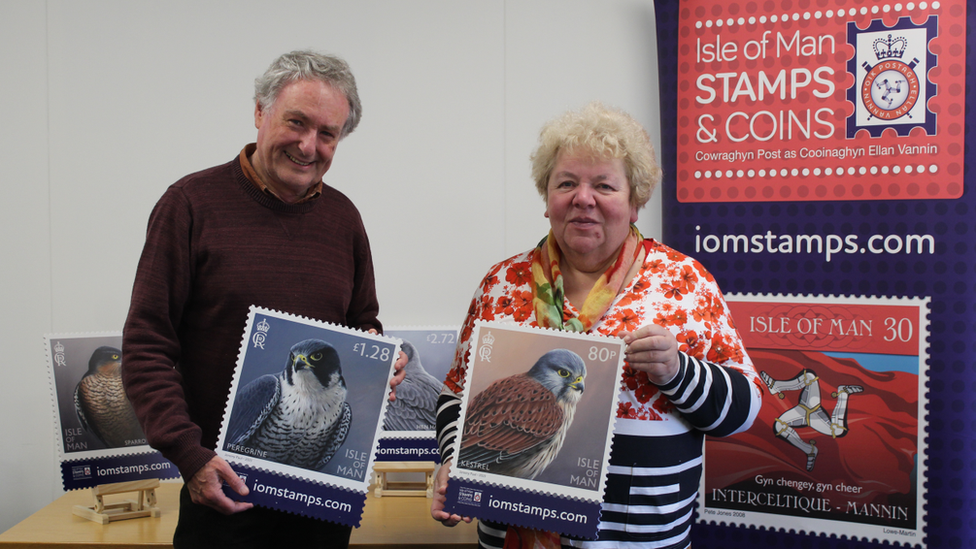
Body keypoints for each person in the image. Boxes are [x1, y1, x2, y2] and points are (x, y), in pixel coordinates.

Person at [431, 102, 762, 549]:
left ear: (635, 201)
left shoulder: (684, 282)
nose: (582, 198)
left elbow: (743, 411)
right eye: (566, 183)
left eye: (604, 185)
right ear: (547, 198)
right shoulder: (502, 283)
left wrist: (679, 372)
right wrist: (454, 461)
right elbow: (456, 394)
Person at [122, 50, 404, 548]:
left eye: (327, 133)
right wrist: (189, 455)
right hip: (221, 499)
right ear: (260, 112)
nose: (308, 145)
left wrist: (382, 359)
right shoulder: (188, 205)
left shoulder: (344, 219)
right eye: (296, 122)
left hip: (322, 510)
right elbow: (147, 348)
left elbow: (364, 322)